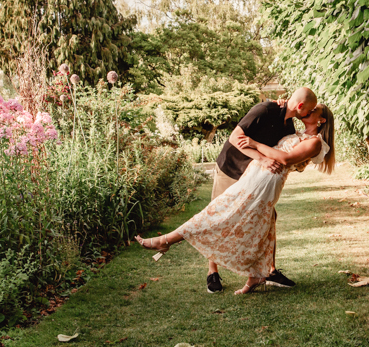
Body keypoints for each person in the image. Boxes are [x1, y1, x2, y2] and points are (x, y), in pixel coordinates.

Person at [135, 104, 336, 295]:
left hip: (264, 183)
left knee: (221, 214)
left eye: (314, 110)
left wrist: (255, 144)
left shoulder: (316, 142)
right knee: (258, 228)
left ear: (322, 120)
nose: (309, 110)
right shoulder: (296, 133)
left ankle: (165, 240)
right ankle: (256, 276)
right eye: (310, 107)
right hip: (254, 175)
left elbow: (284, 159)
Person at [203, 87, 317, 293]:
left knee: (269, 218)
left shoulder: (289, 126)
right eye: (309, 111)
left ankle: (269, 271)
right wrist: (263, 159)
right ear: (300, 107)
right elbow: (234, 138)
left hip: (253, 176)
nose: (309, 114)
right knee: (218, 217)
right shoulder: (264, 109)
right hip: (231, 167)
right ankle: (213, 271)